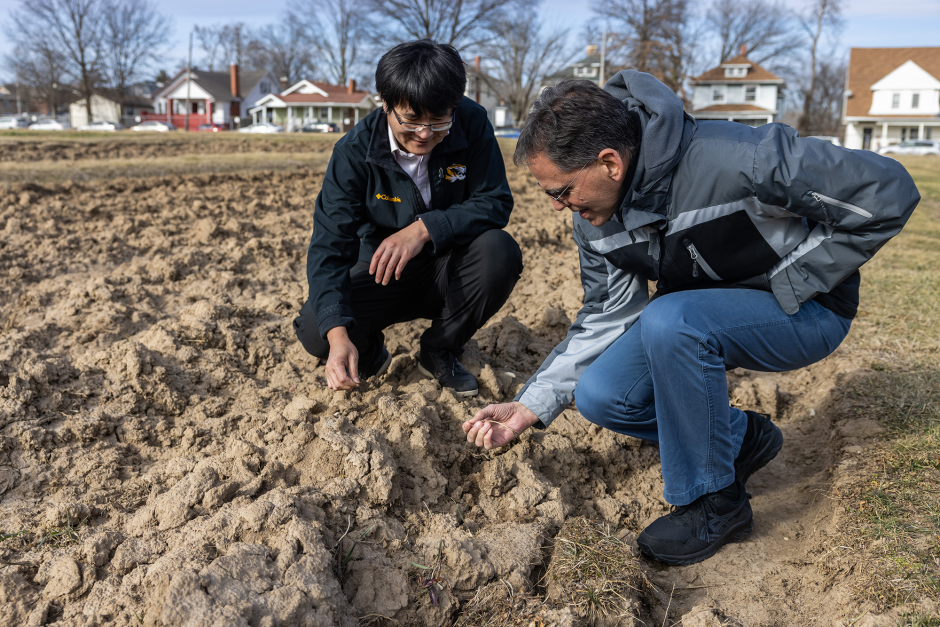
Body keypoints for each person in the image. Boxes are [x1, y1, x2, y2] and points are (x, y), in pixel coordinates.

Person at [463, 72, 919, 565]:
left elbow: (888, 191)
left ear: (609, 162)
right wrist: (531, 404)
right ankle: (742, 437)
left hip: (807, 311)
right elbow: (606, 313)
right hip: (695, 316)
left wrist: (790, 280)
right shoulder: (592, 221)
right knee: (601, 395)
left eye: (562, 191)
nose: (558, 207)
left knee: (671, 317)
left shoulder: (738, 158)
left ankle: (713, 503)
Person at [293, 40, 522, 397]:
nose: (426, 134)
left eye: (439, 120)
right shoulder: (354, 153)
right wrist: (338, 337)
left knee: (499, 251)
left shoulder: (473, 123)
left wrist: (424, 229)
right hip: (382, 273)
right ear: (384, 103)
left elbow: (494, 201)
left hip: (451, 268)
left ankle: (439, 351)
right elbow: (329, 247)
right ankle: (370, 356)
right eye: (412, 119)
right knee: (315, 330)